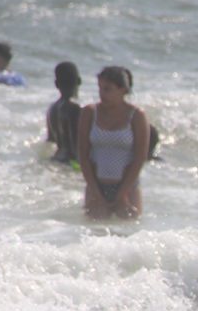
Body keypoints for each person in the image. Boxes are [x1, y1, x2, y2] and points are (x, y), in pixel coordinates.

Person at [77, 66, 150, 219]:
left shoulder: (136, 115)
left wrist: (122, 193)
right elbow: (83, 156)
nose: (102, 94)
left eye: (107, 89)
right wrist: (96, 192)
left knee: (129, 236)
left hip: (127, 186)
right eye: (100, 88)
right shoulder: (90, 113)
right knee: (93, 237)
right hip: (96, 185)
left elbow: (140, 157)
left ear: (122, 90)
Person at [46, 61, 82, 164]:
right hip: (73, 163)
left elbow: (51, 140)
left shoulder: (52, 109)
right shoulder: (77, 108)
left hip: (57, 159)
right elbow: (76, 145)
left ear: (56, 84)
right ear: (79, 81)